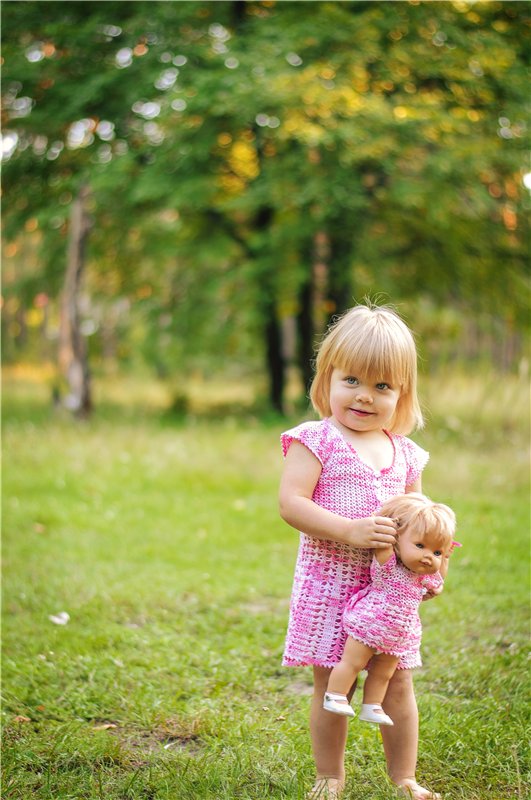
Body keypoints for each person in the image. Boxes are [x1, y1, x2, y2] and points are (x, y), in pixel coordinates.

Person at [279, 302, 446, 800]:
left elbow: (424, 524)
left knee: (396, 684)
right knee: (333, 684)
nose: (364, 397)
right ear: (327, 377)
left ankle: (405, 778)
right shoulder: (316, 441)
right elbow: (291, 504)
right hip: (329, 587)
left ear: (402, 394)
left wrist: (432, 569)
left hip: (389, 596)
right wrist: (349, 531)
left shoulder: (406, 453)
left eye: (382, 386)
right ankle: (330, 776)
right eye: (351, 380)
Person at [323, 493, 457, 727]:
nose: (428, 556)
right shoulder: (390, 567)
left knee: (383, 673)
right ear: (396, 540)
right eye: (420, 546)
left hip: (399, 635)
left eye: (436, 552)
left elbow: (438, 581)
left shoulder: (421, 579)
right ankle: (335, 694)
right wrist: (385, 525)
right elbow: (381, 543)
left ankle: (372, 705)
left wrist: (444, 559)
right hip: (371, 623)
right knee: (352, 663)